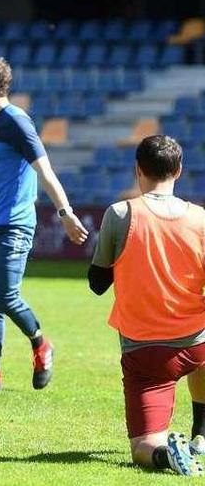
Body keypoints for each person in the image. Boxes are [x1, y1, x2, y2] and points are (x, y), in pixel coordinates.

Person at [0, 55, 88, 392]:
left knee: (5, 295)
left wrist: (65, 213)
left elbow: (45, 171)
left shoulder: (17, 122)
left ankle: (40, 343)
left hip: (13, 224)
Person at [89, 135, 205, 476]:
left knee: (143, 444)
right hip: (195, 345)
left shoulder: (120, 213)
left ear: (137, 169)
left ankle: (165, 457)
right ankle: (201, 433)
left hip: (145, 351)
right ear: (179, 170)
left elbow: (97, 284)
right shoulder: (201, 218)